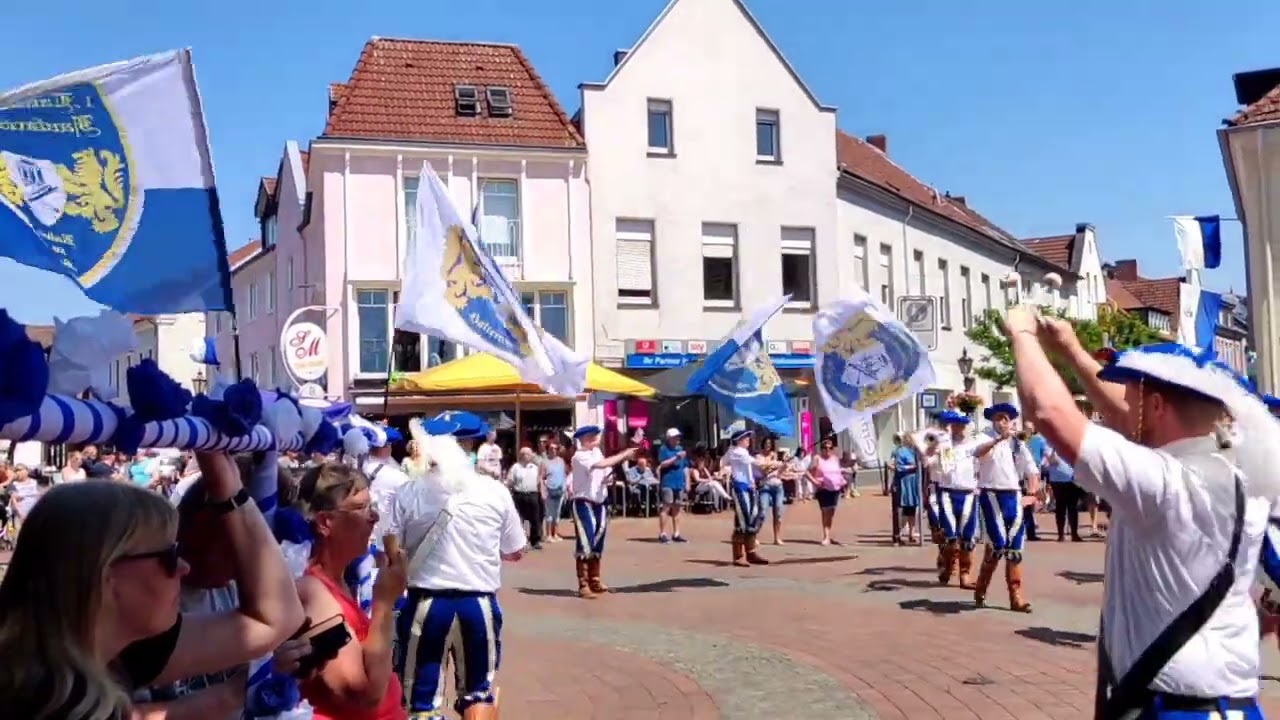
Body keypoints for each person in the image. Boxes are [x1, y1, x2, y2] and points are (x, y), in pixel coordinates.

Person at [1009, 307, 1280, 719]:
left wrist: (1022, 333)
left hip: (1179, 708)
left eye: (1133, 395)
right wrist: (1071, 350)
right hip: (1219, 704)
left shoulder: (1167, 482)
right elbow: (1125, 422)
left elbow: (1050, 413)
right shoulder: (1237, 469)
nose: (1123, 409)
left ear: (1155, 406)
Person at [0, 452, 304, 718]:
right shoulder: (39, 701)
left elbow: (277, 620)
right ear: (108, 575)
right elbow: (274, 619)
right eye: (169, 555)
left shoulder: (114, 650)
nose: (184, 565)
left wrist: (229, 487)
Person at [387, 416, 527, 719]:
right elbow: (515, 551)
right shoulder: (495, 491)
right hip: (478, 603)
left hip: (426, 602)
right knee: (478, 694)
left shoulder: (408, 492)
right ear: (472, 445)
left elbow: (392, 553)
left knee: (420, 702)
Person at [291, 462, 409, 720]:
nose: (374, 517)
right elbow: (363, 696)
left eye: (372, 507)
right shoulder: (311, 589)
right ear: (325, 522)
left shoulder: (339, 580)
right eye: (360, 508)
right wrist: (383, 604)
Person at [972, 403, 1039, 613]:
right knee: (998, 545)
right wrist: (998, 440)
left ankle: (1016, 597)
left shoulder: (1018, 443)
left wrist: (1032, 493)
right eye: (999, 418)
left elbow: (1032, 471)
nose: (1002, 422)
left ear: (1011, 422)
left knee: (1015, 550)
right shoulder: (983, 437)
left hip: (1013, 495)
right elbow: (978, 453)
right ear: (992, 420)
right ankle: (981, 588)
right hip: (991, 494)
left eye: (1006, 419)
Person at [568, 425, 636, 599]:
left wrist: (609, 477)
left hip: (600, 501)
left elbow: (605, 470)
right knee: (586, 540)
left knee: (598, 540)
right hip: (584, 501)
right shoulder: (579, 456)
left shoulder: (597, 452)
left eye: (595, 435)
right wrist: (623, 454)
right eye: (591, 436)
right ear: (583, 439)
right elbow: (601, 465)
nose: (595, 438)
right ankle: (583, 584)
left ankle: (594, 579)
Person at [930, 410, 983, 588]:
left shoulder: (975, 444)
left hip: (968, 494)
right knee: (950, 538)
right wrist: (936, 444)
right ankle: (947, 566)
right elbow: (930, 459)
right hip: (947, 493)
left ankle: (965, 575)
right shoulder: (944, 446)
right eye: (955, 425)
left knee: (968, 540)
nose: (958, 428)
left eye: (961, 425)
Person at [723, 428, 776, 566]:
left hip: (750, 488)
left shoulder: (743, 452)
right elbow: (757, 463)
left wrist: (773, 467)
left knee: (753, 518)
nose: (748, 440)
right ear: (738, 440)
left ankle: (751, 552)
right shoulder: (736, 452)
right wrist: (776, 463)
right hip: (740, 488)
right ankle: (738, 556)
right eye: (745, 438)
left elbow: (757, 468)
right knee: (742, 521)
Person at [808, 436, 854, 546]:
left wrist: (844, 473)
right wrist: (814, 482)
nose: (827, 450)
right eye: (825, 448)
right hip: (823, 489)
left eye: (830, 448)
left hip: (836, 489)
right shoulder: (817, 458)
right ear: (821, 449)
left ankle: (828, 533)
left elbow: (838, 470)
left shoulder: (835, 459)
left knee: (831, 512)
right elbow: (807, 472)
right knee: (825, 512)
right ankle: (826, 536)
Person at [656, 427, 690, 543]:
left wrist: (687, 482)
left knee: (677, 508)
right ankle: (663, 533)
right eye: (675, 437)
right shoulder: (664, 449)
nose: (678, 439)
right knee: (666, 507)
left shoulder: (681, 449)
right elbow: (662, 464)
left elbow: (685, 466)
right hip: (668, 482)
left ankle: (676, 533)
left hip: (679, 482)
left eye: (678, 437)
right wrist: (676, 457)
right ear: (669, 438)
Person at [506, 446, 544, 550]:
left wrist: (542, 493)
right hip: (519, 495)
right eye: (523, 454)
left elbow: (540, 480)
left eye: (528, 454)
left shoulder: (535, 467)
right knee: (519, 519)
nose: (526, 456)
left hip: (533, 494)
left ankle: (535, 541)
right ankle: (520, 542)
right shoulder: (515, 467)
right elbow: (509, 481)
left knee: (535, 519)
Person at [1044, 444, 1083, 542]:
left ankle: (1074, 534)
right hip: (1057, 480)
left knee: (1073, 507)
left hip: (1072, 479)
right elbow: (1052, 461)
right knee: (1060, 507)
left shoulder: (1071, 443)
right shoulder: (1049, 445)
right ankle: (1060, 534)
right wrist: (1055, 449)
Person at [891, 433, 921, 545]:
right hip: (904, 482)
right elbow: (898, 467)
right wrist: (912, 467)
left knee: (912, 508)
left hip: (914, 482)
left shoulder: (915, 451)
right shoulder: (900, 451)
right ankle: (898, 533)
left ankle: (911, 533)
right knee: (903, 508)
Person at [757, 444, 787, 545]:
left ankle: (777, 538)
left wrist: (783, 464)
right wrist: (772, 465)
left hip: (778, 486)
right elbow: (762, 469)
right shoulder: (759, 457)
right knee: (763, 511)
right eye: (766, 444)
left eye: (770, 445)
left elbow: (782, 471)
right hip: (765, 486)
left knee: (778, 512)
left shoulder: (777, 457)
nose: (768, 447)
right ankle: (754, 535)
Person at [541, 437, 568, 542]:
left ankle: (555, 533)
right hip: (549, 490)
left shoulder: (561, 461)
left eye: (555, 448)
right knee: (549, 514)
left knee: (557, 513)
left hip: (560, 489)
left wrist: (565, 489)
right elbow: (541, 477)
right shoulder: (545, 462)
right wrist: (543, 491)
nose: (553, 450)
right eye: (551, 448)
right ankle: (548, 535)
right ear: (548, 449)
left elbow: (564, 475)